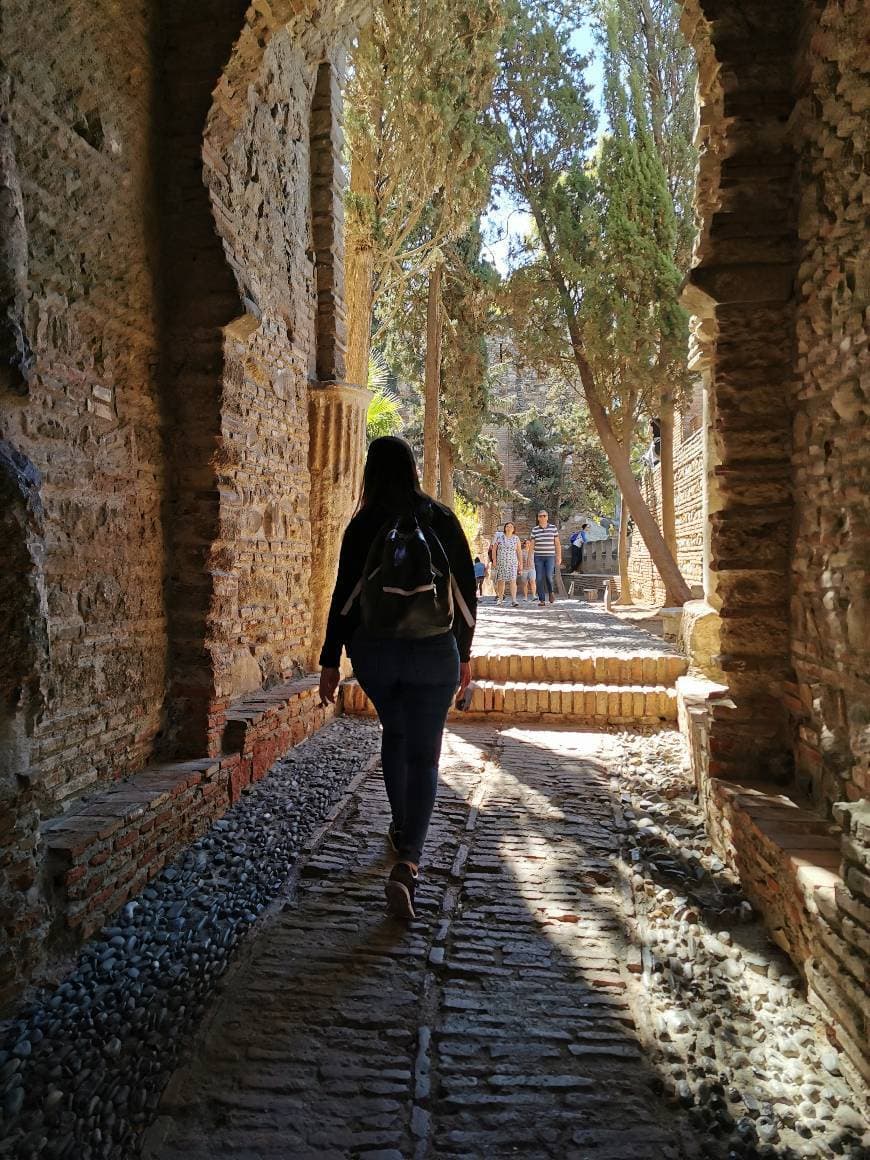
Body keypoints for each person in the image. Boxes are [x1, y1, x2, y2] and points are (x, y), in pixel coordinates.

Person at [318, 436, 477, 920]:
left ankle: (400, 825)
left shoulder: (363, 524)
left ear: (370, 471)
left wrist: (330, 660)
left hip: (376, 654)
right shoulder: (442, 519)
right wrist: (464, 655)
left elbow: (344, 598)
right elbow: (466, 595)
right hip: (434, 654)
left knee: (395, 733)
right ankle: (408, 862)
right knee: (426, 758)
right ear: (412, 470)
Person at [530, 509, 562, 606]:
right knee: (539, 578)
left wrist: (559, 556)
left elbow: (557, 543)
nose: (542, 517)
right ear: (538, 518)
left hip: (550, 557)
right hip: (538, 557)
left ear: (547, 517)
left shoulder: (553, 528)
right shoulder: (535, 530)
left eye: (544, 515)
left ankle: (551, 592)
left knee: (548, 576)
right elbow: (532, 546)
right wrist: (530, 558)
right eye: (540, 516)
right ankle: (542, 600)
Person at [491, 521, 522, 606]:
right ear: (505, 528)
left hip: (512, 562)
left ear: (513, 529)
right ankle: (500, 599)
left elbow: (519, 551)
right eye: (507, 526)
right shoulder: (499, 537)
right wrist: (494, 560)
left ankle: (514, 600)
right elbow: (494, 549)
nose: (509, 528)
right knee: (501, 581)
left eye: (511, 526)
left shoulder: (516, 538)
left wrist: (521, 563)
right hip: (501, 562)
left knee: (513, 580)